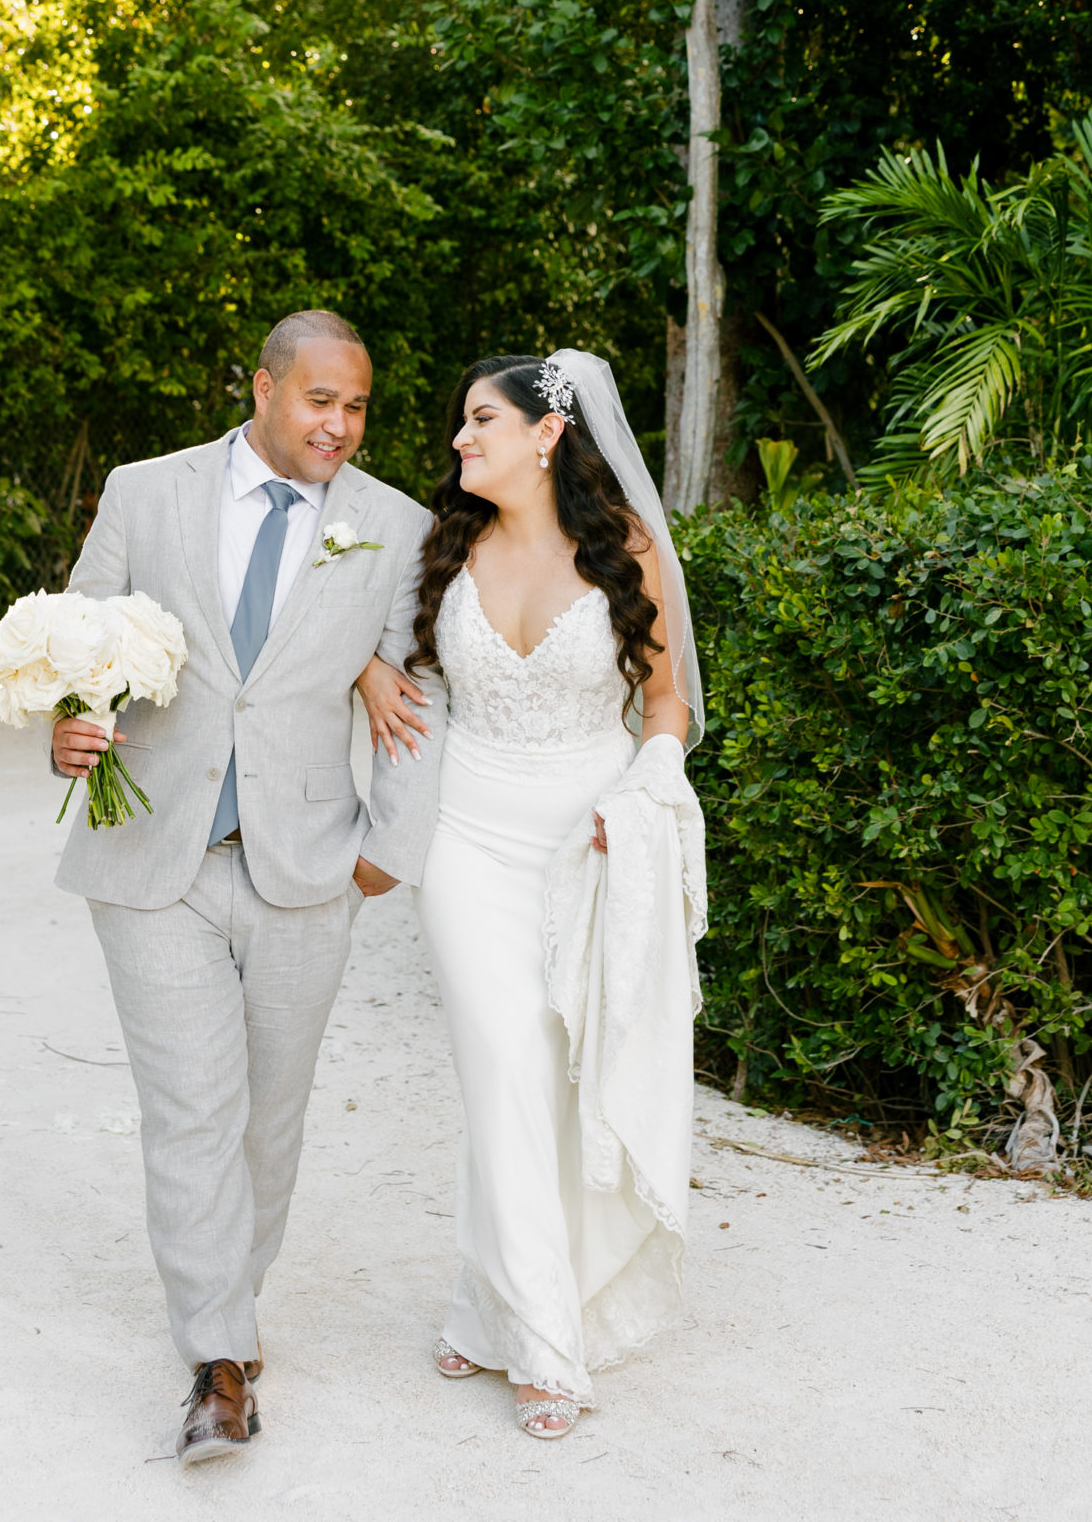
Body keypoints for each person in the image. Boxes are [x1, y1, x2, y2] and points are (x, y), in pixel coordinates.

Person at [52, 309, 444, 1467]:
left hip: (308, 865)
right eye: (321, 400)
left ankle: (233, 1296)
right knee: (190, 1109)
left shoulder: (393, 525)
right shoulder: (146, 491)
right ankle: (217, 1362)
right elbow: (79, 651)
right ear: (265, 388)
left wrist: (387, 848)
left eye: (359, 406)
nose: (341, 424)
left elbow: (423, 696)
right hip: (151, 858)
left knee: (271, 1115)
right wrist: (70, 729)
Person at [359, 350, 706, 1440]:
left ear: (545, 433)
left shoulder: (628, 554)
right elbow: (357, 644)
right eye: (460, 426)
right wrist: (367, 670)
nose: (460, 441)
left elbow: (667, 707)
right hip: (468, 837)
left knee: (561, 1078)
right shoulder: (440, 546)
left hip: (589, 840)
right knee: (502, 1059)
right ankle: (546, 1347)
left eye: (480, 421)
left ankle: (482, 1294)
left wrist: (648, 785)